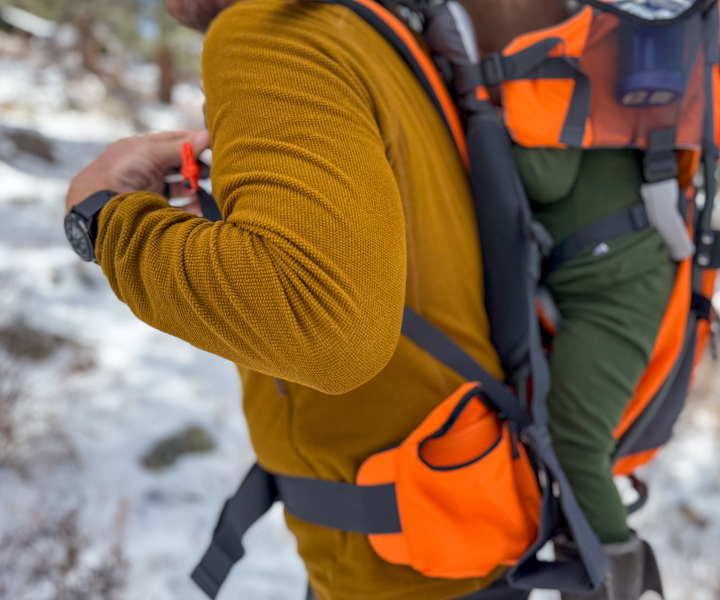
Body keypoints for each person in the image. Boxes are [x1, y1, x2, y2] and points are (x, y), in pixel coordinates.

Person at [63, 0, 661, 599]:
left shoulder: (265, 28)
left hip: (401, 565)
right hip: (450, 529)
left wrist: (101, 217)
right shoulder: (388, 34)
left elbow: (321, 324)